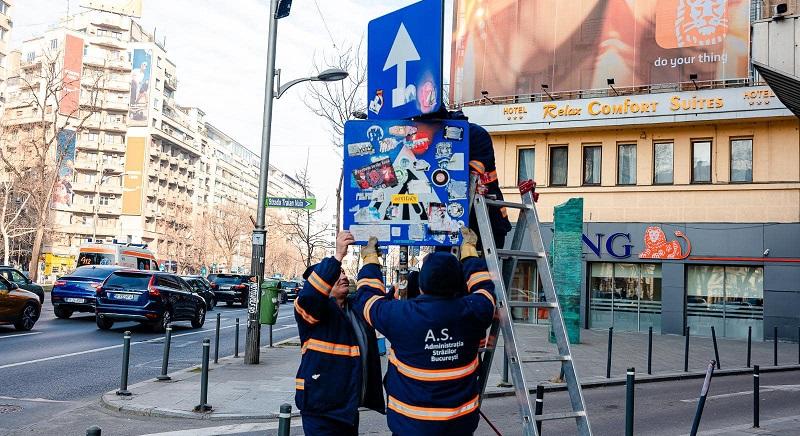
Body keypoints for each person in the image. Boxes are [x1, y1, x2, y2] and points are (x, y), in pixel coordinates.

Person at [353, 228, 496, 435]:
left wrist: (370, 259)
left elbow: (366, 298)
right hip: (460, 425)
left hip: (411, 425)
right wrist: (469, 252)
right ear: (459, 283)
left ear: (420, 285)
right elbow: (484, 286)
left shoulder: (400, 315)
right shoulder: (476, 309)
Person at [293, 232, 384, 435]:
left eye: (343, 272)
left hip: (348, 408)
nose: (342, 276)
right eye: (336, 274)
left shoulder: (356, 308)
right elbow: (310, 296)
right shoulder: (312, 310)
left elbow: (372, 293)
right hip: (321, 409)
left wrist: (371, 261)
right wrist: (337, 257)